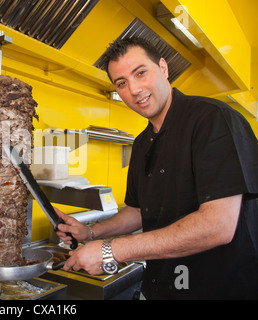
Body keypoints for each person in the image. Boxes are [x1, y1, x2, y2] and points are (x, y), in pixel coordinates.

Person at [55, 37, 258, 299]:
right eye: (122, 83)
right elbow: (139, 211)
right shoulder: (141, 143)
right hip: (163, 286)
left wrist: (110, 250)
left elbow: (218, 225)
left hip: (219, 288)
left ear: (163, 67)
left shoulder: (213, 119)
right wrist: (91, 232)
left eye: (141, 73)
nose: (135, 89)